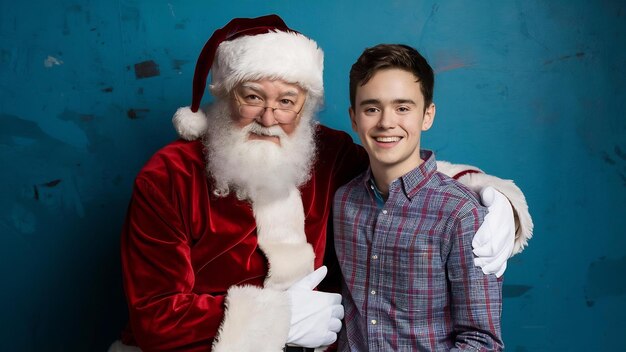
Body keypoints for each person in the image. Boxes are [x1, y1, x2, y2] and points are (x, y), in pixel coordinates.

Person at [108, 15, 533, 352]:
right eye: (252, 96)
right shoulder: (169, 177)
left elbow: (399, 171)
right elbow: (154, 316)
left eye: (287, 102)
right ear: (225, 94)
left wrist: (488, 193)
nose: (269, 117)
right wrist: (274, 317)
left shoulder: (325, 154)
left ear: (305, 106)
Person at [334, 44, 508, 351]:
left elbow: (482, 342)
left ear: (427, 115)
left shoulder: (460, 213)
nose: (386, 122)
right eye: (372, 108)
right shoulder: (343, 202)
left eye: (403, 108)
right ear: (353, 118)